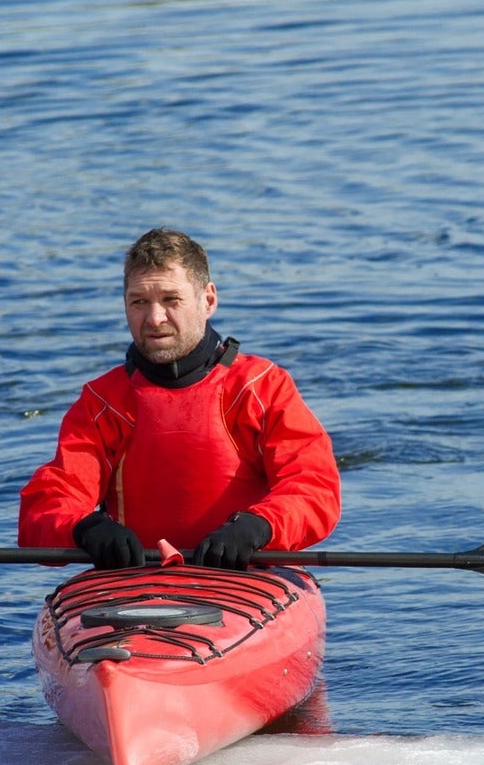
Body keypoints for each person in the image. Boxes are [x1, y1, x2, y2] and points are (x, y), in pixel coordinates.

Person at [19, 229, 341, 570]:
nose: (154, 319)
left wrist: (257, 526)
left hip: (250, 576)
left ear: (209, 300)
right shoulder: (102, 402)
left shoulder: (262, 388)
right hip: (135, 582)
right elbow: (45, 507)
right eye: (139, 302)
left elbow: (314, 487)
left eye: (171, 300)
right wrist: (84, 527)